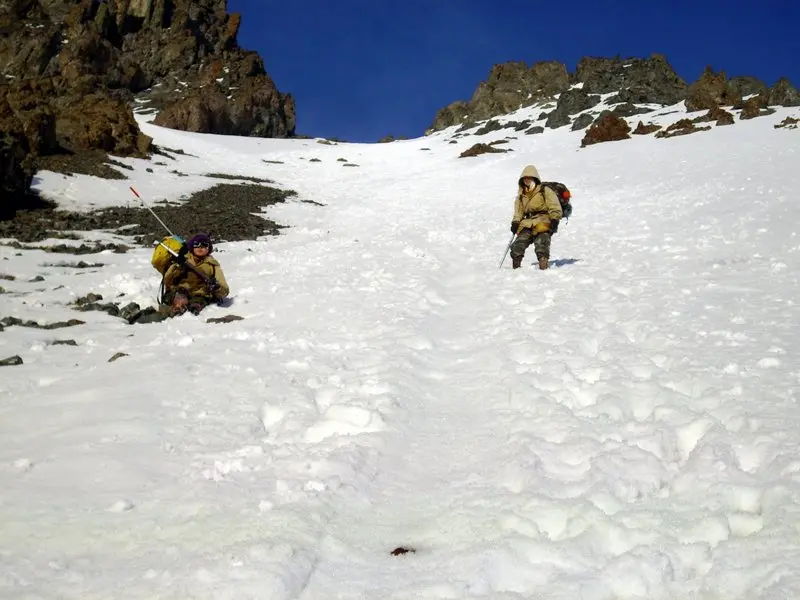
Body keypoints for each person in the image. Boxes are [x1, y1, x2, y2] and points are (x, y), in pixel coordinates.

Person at [509, 165, 563, 270]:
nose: (527, 180)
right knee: (517, 245)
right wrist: (515, 222)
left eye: (530, 177)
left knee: (542, 243)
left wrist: (555, 219)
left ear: (535, 178)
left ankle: (543, 267)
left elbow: (554, 205)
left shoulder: (544, 190)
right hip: (527, 222)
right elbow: (518, 211)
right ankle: (515, 270)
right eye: (525, 178)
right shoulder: (521, 195)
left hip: (543, 220)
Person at [162, 233, 229, 316]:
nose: (200, 247)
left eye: (204, 245)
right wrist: (177, 266)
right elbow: (167, 280)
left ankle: (194, 309)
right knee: (179, 299)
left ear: (209, 248)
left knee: (197, 303)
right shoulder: (183, 260)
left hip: (201, 295)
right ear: (192, 247)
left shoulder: (213, 265)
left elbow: (224, 289)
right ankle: (176, 309)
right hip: (180, 292)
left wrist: (217, 288)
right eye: (196, 244)